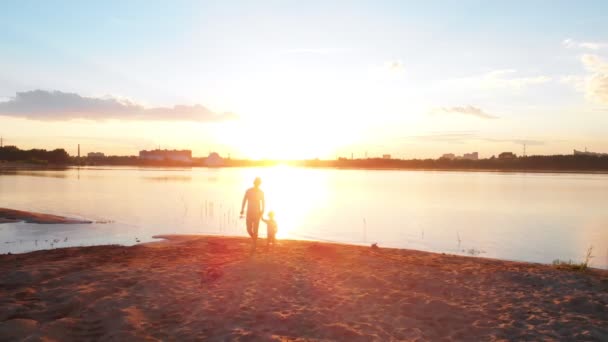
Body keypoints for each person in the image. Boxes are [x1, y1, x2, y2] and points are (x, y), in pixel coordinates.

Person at [240, 177, 265, 251]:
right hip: (249, 212)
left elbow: (263, 202)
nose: (257, 184)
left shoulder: (261, 192)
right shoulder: (248, 191)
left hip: (257, 213)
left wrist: (262, 210)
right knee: (248, 229)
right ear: (254, 183)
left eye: (258, 183)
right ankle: (255, 239)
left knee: (255, 229)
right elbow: (244, 200)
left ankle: (254, 244)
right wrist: (242, 209)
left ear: (259, 184)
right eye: (256, 183)